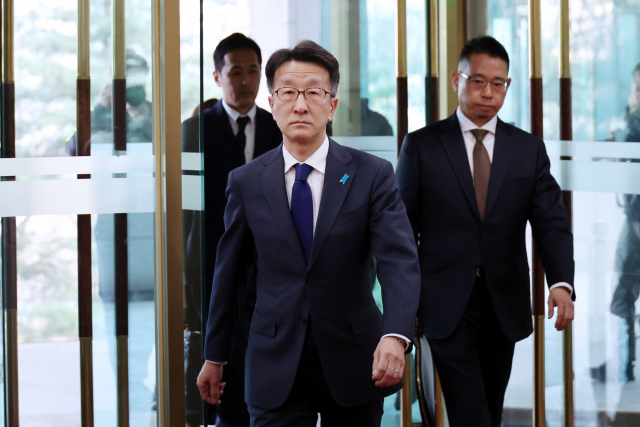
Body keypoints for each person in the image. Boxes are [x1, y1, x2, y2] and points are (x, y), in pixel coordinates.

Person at [196, 40, 420, 427]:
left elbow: (398, 260)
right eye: (288, 93)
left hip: (355, 358)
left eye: (314, 93)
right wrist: (214, 355)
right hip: (273, 360)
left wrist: (396, 334)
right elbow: (229, 275)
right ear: (272, 103)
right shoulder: (246, 182)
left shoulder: (372, 175)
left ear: (332, 106)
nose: (300, 105)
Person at [396, 35, 575, 427]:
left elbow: (551, 222)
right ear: (456, 80)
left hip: (502, 302)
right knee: (471, 413)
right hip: (443, 303)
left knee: (489, 409)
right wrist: (404, 303)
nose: (489, 93)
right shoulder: (422, 146)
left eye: (499, 83)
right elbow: (401, 232)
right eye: (478, 81)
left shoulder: (527, 150)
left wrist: (561, 283)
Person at [181, 33, 282, 427]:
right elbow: (184, 214)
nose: (245, 81)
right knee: (223, 366)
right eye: (235, 72)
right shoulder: (193, 132)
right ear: (217, 77)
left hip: (272, 267)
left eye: (253, 71)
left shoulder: (280, 127)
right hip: (212, 264)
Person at [609, 62, 640, 382]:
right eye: (636, 87)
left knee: (622, 291)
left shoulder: (635, 121)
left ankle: (624, 362)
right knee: (623, 289)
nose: (635, 94)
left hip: (637, 217)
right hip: (634, 213)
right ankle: (623, 361)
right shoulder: (632, 118)